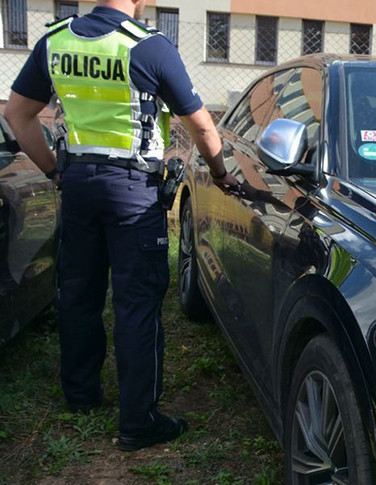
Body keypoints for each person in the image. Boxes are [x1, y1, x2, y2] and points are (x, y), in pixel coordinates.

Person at [4, 0, 238, 451]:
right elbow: (203, 128)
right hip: (133, 192)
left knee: (78, 291)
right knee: (137, 301)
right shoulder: (149, 46)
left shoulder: (55, 41)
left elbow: (17, 114)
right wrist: (221, 173)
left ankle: (81, 396)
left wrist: (54, 170)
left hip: (77, 185)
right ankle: (138, 421)